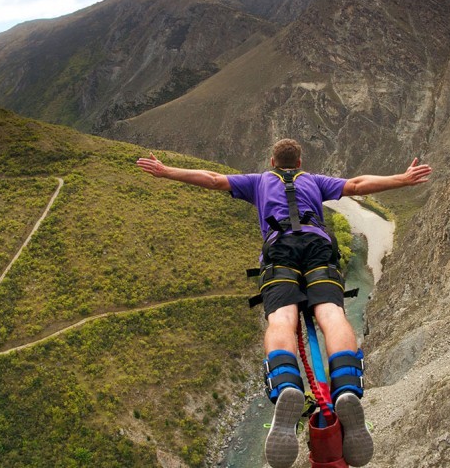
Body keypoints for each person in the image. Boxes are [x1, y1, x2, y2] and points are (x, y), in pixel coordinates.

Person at [137, 139, 431, 467]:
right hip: (319, 249)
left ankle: (288, 385)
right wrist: (401, 180)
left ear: (272, 161)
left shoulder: (259, 181)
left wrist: (166, 172)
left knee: (281, 319)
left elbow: (212, 179)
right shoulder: (315, 181)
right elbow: (358, 184)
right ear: (300, 161)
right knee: (332, 314)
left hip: (281, 254)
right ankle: (346, 385)